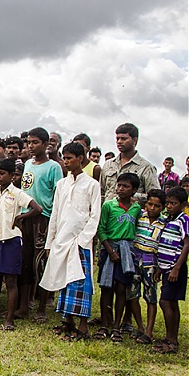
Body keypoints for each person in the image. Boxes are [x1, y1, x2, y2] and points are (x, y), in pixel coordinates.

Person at [39, 143, 101, 341]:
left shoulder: (92, 184)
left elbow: (94, 215)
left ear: (80, 158)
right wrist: (50, 242)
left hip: (80, 241)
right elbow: (55, 214)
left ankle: (83, 326)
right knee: (64, 280)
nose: (66, 162)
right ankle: (68, 321)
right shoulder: (62, 185)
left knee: (80, 282)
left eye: (69, 158)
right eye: (64, 158)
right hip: (62, 239)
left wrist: (83, 240)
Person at [0, 158, 42, 330]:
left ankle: (9, 319)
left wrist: (21, 218)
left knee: (11, 280)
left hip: (12, 240)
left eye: (2, 174)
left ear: (12, 175)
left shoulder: (17, 194)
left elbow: (37, 209)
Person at [15, 127, 63, 322]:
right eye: (29, 142)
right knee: (25, 263)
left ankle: (42, 307)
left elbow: (58, 196)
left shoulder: (54, 167)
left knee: (40, 264)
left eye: (35, 142)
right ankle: (24, 306)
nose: (31, 146)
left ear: (45, 144)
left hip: (43, 219)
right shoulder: (27, 164)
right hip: (25, 217)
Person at [96, 173, 142, 342]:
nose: (120, 189)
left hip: (126, 252)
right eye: (119, 185)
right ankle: (104, 324)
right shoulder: (109, 205)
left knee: (121, 289)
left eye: (125, 186)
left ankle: (117, 326)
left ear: (134, 190)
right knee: (106, 287)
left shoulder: (136, 209)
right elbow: (101, 229)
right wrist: (109, 250)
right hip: (109, 249)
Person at [153, 187, 189, 354]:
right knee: (171, 303)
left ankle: (171, 339)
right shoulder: (168, 220)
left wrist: (177, 267)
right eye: (167, 203)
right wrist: (161, 268)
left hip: (176, 269)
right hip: (166, 267)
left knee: (165, 301)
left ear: (183, 205)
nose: (169, 206)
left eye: (173, 204)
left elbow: (187, 245)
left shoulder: (184, 220)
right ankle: (172, 339)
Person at [129, 189, 166, 345]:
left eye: (156, 206)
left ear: (162, 207)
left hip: (152, 262)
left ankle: (149, 332)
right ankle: (140, 326)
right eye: (150, 204)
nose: (152, 208)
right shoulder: (139, 217)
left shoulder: (164, 223)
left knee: (151, 297)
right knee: (132, 295)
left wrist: (160, 267)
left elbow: (163, 246)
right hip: (135, 258)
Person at [100, 123, 158, 205]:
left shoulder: (146, 167)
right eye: (117, 139)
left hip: (130, 214)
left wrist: (130, 195)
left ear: (135, 140)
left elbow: (155, 197)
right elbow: (101, 192)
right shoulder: (108, 165)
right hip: (108, 214)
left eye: (124, 139)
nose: (119, 142)